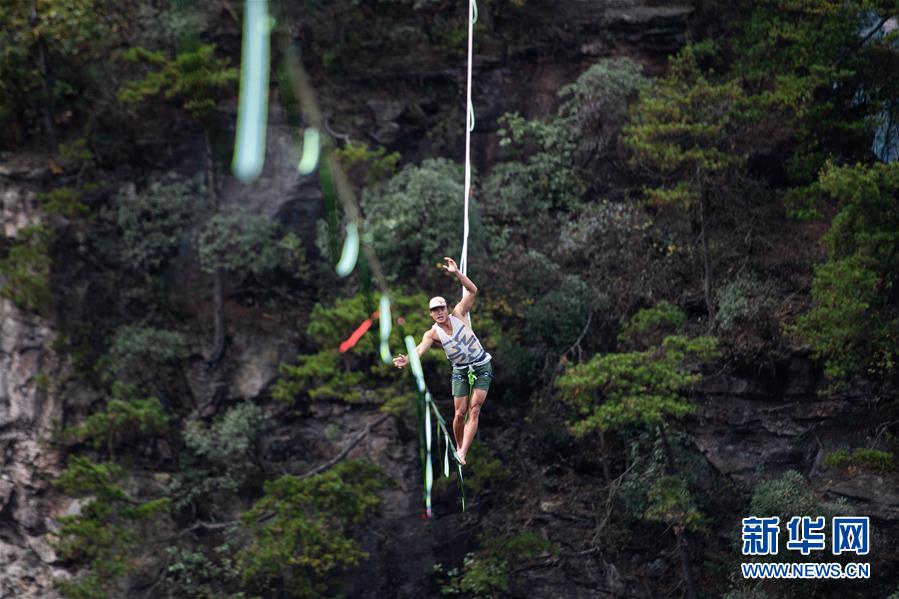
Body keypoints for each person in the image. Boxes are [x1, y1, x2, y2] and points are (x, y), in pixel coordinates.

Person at [392, 257, 492, 465]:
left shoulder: (459, 313)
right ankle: (459, 444)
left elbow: (473, 291)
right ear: (431, 314)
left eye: (441, 308)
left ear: (447, 308)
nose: (439, 312)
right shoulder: (433, 334)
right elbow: (420, 349)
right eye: (434, 310)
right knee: (459, 413)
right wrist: (408, 360)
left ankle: (463, 452)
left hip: (481, 364)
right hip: (460, 370)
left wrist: (456, 273)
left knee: (474, 409)